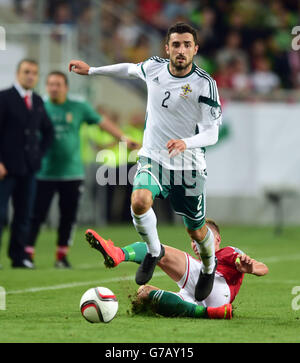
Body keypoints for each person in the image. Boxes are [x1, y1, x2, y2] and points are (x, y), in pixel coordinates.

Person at [69, 22, 223, 301]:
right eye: (176, 44)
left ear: (195, 49)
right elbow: (128, 69)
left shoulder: (205, 84)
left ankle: (209, 267)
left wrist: (185, 142)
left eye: (187, 45)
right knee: (139, 201)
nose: (181, 50)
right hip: (154, 156)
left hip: (188, 164)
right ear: (167, 48)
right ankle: (153, 251)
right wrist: (91, 70)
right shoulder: (154, 67)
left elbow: (212, 133)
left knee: (196, 229)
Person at [25, 71, 139, 268]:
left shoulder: (78, 107)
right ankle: (27, 254)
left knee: (67, 216)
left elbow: (102, 122)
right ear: (46, 86)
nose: (53, 87)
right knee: (36, 214)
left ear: (65, 87)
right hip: (44, 172)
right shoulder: (38, 106)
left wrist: (123, 138)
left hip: (72, 173)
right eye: (50, 84)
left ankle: (61, 256)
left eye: (58, 84)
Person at [84, 219, 269, 320]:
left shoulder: (228, 252)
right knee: (143, 294)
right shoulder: (197, 265)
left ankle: (118, 254)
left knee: (158, 250)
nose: (198, 243)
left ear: (218, 238)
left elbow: (263, 268)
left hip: (218, 287)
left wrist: (251, 267)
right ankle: (210, 313)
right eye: (194, 240)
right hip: (207, 299)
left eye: (203, 238)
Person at [0, 59, 54, 268]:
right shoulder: (4, 98)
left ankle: (18, 256)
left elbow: (47, 131)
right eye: (27, 72)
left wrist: (39, 155)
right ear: (18, 74)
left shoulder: (38, 101)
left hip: (29, 169)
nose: (30, 76)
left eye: (34, 73)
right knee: (1, 214)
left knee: (24, 214)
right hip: (5, 169)